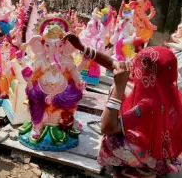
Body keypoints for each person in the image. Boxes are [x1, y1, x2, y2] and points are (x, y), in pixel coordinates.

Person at [64, 34, 182, 177]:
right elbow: (113, 64)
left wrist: (119, 89)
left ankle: (141, 168)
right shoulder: (166, 88)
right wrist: (82, 48)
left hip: (151, 155)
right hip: (163, 150)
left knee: (111, 141)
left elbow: (107, 128)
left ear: (146, 72)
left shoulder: (148, 105)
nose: (133, 65)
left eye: (137, 64)